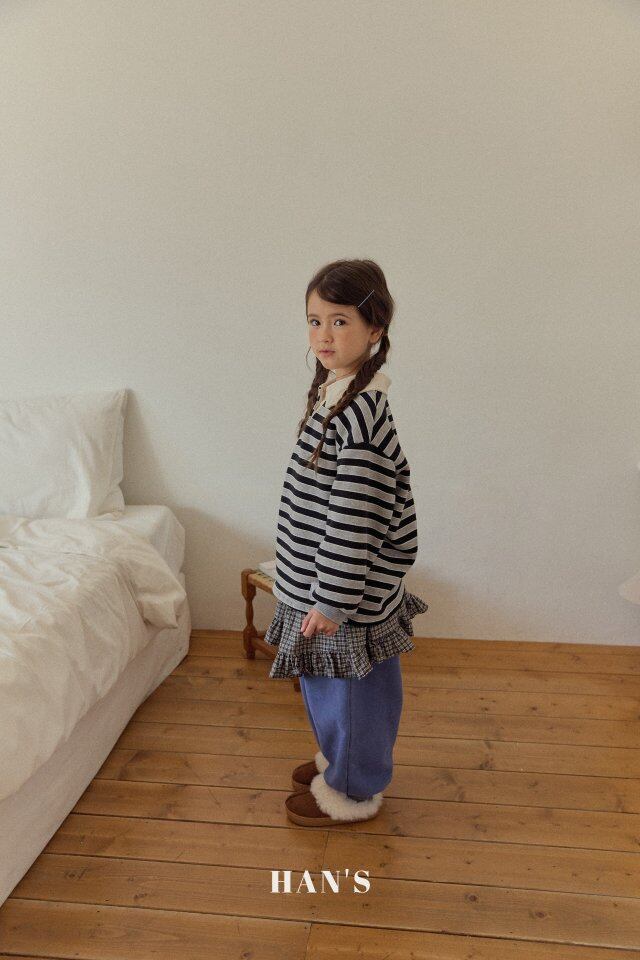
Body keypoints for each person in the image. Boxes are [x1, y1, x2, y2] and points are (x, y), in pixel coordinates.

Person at [264, 258, 429, 827]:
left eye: (340, 322)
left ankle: (354, 789)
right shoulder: (333, 396)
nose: (324, 336)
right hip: (320, 583)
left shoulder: (360, 417)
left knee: (355, 696)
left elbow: (353, 519)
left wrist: (332, 599)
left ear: (374, 329)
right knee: (326, 688)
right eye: (315, 322)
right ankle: (340, 761)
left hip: (343, 593)